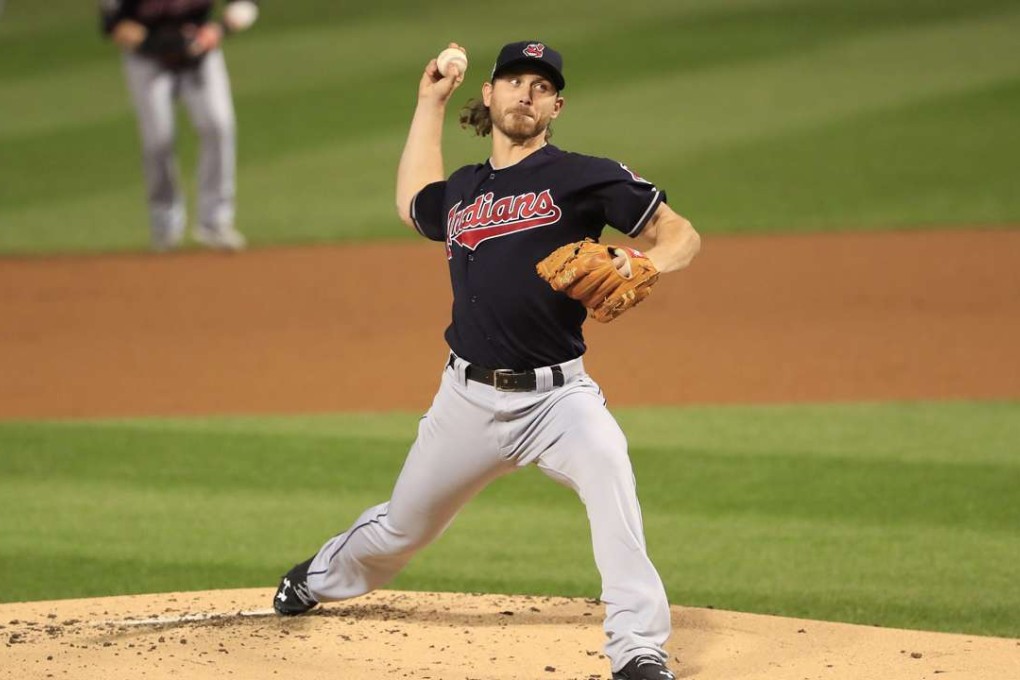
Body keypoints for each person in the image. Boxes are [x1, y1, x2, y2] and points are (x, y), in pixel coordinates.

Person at [273, 40, 701, 680]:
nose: (526, 93)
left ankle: (637, 647)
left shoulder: (583, 175)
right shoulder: (466, 189)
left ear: (556, 105)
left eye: (541, 85)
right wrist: (429, 101)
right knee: (402, 529)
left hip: (558, 400)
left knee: (611, 474)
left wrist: (641, 261)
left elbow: (680, 233)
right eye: (514, 81)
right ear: (492, 96)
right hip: (466, 401)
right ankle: (319, 576)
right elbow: (415, 200)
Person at [99, 1, 257, 251]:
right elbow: (115, 25)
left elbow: (245, 6)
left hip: (200, 55)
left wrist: (219, 29)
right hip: (147, 60)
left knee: (218, 127)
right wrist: (160, 43)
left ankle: (215, 222)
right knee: (157, 140)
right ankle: (165, 224)